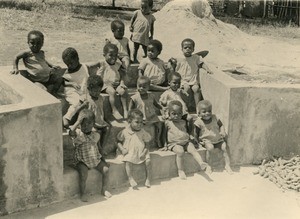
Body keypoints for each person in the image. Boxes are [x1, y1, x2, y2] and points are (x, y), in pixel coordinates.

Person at [69, 109, 112, 202]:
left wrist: (104, 160)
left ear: (93, 124)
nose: (86, 126)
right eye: (83, 124)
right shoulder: (78, 134)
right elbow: (71, 132)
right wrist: (78, 121)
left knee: (106, 170)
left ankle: (104, 189)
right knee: (84, 173)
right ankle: (83, 193)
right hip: (82, 160)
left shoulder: (95, 135)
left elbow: (99, 148)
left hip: (94, 159)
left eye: (89, 123)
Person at [161, 100, 208, 180]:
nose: (177, 116)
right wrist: (165, 145)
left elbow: (187, 129)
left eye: (179, 113)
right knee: (180, 151)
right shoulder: (168, 123)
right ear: (169, 113)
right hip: (174, 144)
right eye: (174, 114)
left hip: (186, 142)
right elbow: (163, 135)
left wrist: (190, 138)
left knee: (193, 149)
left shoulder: (183, 121)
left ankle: (201, 163)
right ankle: (181, 170)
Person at [10, 30, 63, 96]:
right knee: (44, 91)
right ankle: (49, 95)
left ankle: (54, 92)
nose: (35, 45)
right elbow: (16, 57)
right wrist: (15, 68)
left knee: (60, 79)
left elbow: (43, 60)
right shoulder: (27, 53)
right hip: (37, 80)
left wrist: (52, 65)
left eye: (38, 43)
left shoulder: (41, 52)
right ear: (28, 42)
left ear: (42, 43)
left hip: (48, 77)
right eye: (32, 43)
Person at [171, 38, 212, 109]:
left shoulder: (196, 57)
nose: (187, 49)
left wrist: (207, 69)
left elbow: (202, 64)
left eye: (190, 48)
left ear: (193, 49)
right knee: (186, 88)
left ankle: (198, 107)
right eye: (185, 47)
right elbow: (171, 63)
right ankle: (184, 106)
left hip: (193, 80)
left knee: (196, 89)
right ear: (182, 49)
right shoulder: (178, 58)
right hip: (182, 80)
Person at [193, 100, 233, 174]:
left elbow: (221, 125)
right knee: (210, 148)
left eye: (209, 111)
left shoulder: (215, 117)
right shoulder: (198, 122)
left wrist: (222, 131)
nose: (207, 113)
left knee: (225, 147)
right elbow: (196, 133)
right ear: (199, 113)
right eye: (204, 112)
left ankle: (227, 165)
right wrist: (197, 142)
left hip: (218, 139)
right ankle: (209, 166)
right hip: (207, 140)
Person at [117, 109, 152, 188]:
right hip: (130, 151)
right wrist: (122, 149)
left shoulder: (143, 132)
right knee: (128, 161)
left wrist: (144, 152)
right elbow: (118, 141)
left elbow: (147, 144)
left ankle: (148, 178)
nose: (139, 124)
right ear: (130, 121)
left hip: (142, 151)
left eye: (141, 122)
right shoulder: (125, 132)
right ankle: (130, 178)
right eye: (137, 122)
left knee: (148, 161)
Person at [92, 43, 128, 120]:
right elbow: (95, 71)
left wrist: (122, 83)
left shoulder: (118, 64)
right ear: (104, 55)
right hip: (105, 85)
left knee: (123, 91)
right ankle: (114, 110)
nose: (113, 58)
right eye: (110, 55)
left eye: (115, 55)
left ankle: (125, 110)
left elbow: (122, 74)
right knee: (112, 92)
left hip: (116, 84)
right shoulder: (103, 64)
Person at [129, 76, 163, 148]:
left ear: (148, 87)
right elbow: (130, 109)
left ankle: (158, 138)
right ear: (137, 85)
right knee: (139, 128)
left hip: (151, 116)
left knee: (160, 124)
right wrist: (130, 117)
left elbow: (156, 104)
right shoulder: (134, 97)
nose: (141, 88)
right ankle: (140, 143)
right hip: (141, 117)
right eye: (139, 86)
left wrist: (163, 108)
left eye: (144, 87)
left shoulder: (151, 96)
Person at [62, 47, 89, 127]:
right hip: (72, 90)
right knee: (76, 102)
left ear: (77, 58)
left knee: (87, 101)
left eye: (71, 63)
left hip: (83, 90)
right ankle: (67, 117)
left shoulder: (84, 67)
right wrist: (71, 84)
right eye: (67, 64)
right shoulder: (68, 72)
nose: (69, 66)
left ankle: (82, 121)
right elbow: (62, 82)